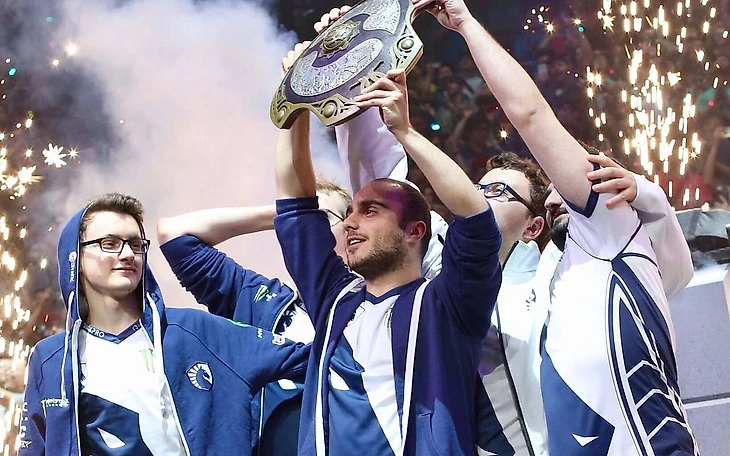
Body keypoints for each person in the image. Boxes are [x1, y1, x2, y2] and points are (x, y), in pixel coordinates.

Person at [416, 0, 698, 454]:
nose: (553, 199)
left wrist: (465, 22)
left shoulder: (609, 230)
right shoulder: (556, 282)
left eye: (560, 186)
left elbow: (530, 115)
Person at [275, 64, 502, 455]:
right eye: (350, 212)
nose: (349, 223)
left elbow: (476, 220)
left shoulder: (447, 303)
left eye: (370, 211)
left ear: (415, 230)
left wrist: (405, 132)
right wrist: (294, 99)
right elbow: (294, 204)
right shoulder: (333, 299)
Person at [19, 193, 309, 455]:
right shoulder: (50, 359)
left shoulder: (197, 332)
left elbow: (315, 358)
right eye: (110, 244)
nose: (127, 254)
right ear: (76, 257)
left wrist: (301, 215)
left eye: (135, 244)